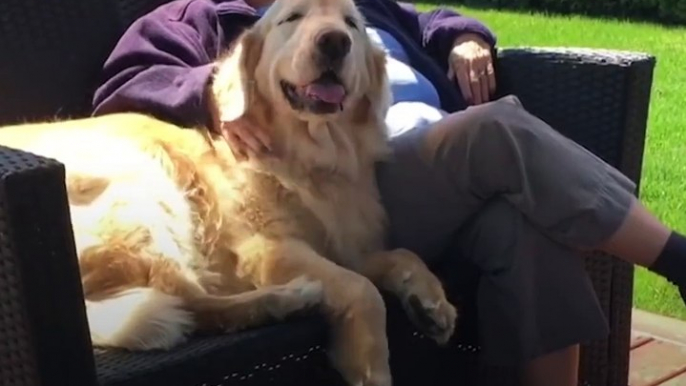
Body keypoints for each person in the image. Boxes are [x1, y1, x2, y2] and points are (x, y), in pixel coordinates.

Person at [90, 0, 686, 384]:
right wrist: (212, 91)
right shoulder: (206, 15)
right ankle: (677, 258)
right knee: (495, 129)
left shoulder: (365, 8)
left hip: (440, 170)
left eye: (347, 26)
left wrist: (465, 37)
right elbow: (130, 80)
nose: (333, 32)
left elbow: (431, 22)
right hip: (372, 180)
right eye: (295, 17)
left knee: (526, 230)